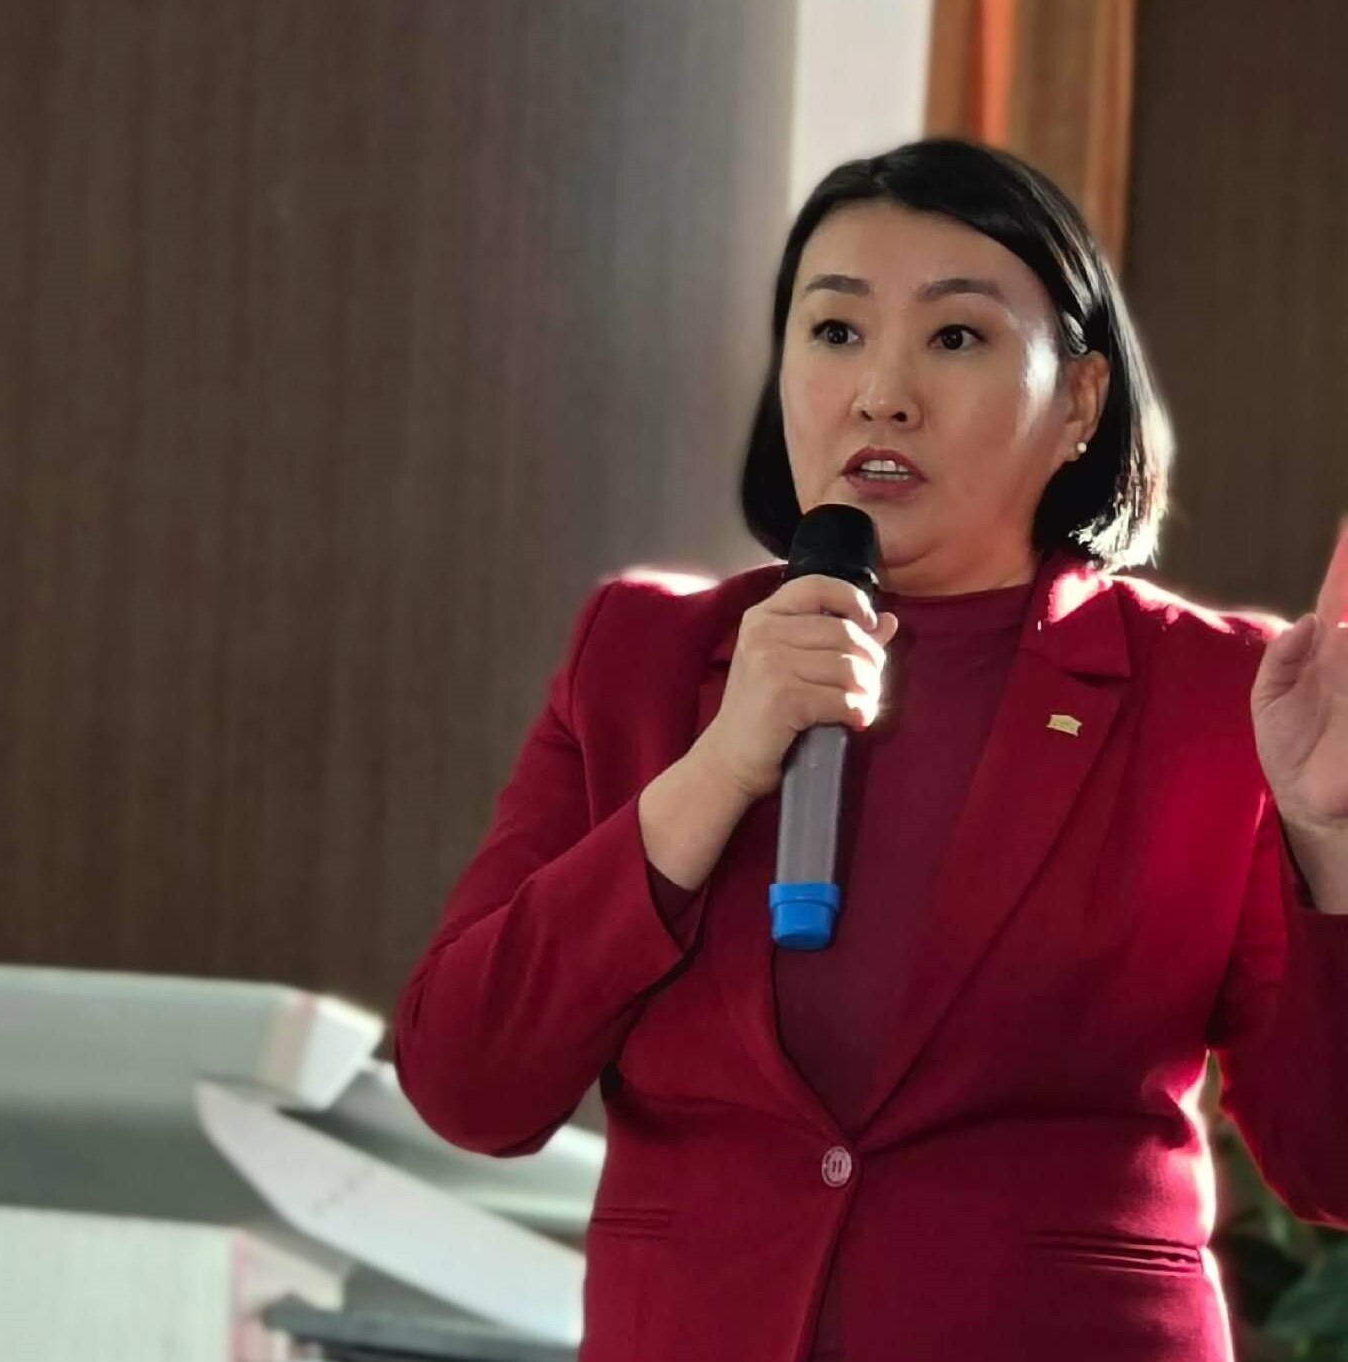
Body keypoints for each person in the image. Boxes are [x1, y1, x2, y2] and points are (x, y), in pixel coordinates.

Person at [391, 139, 1348, 1362]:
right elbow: (468, 1086)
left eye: (957, 337)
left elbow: (1331, 1170)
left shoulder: (1217, 691)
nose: (882, 393)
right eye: (835, 331)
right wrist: (719, 767)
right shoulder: (638, 657)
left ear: (1080, 402)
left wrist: (1327, 841)